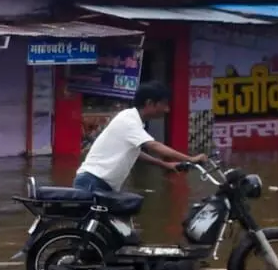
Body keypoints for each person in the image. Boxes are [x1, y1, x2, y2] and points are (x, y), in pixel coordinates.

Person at [74, 82, 206, 194]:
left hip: (101, 184)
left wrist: (164, 164)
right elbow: (154, 146)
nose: (167, 109)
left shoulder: (134, 120)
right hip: (93, 182)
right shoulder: (129, 120)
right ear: (149, 103)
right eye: (164, 104)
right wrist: (191, 159)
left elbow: (136, 152)